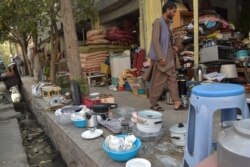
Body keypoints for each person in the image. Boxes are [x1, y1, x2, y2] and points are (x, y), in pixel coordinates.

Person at [144, 1, 183, 111]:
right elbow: (155, 41)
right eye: (173, 11)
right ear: (168, 10)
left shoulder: (167, 23)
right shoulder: (158, 22)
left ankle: (177, 102)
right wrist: (161, 57)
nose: (174, 14)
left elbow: (166, 41)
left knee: (172, 80)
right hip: (162, 59)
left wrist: (173, 47)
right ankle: (153, 103)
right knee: (158, 82)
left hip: (170, 58)